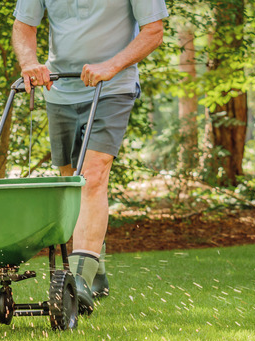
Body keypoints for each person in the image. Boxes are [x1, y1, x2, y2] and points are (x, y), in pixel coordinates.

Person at [12, 0, 168, 314]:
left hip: (112, 87)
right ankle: (95, 268)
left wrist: (111, 66)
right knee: (70, 183)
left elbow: (154, 31)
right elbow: (23, 26)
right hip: (60, 88)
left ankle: (79, 280)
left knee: (92, 177)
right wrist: (29, 62)